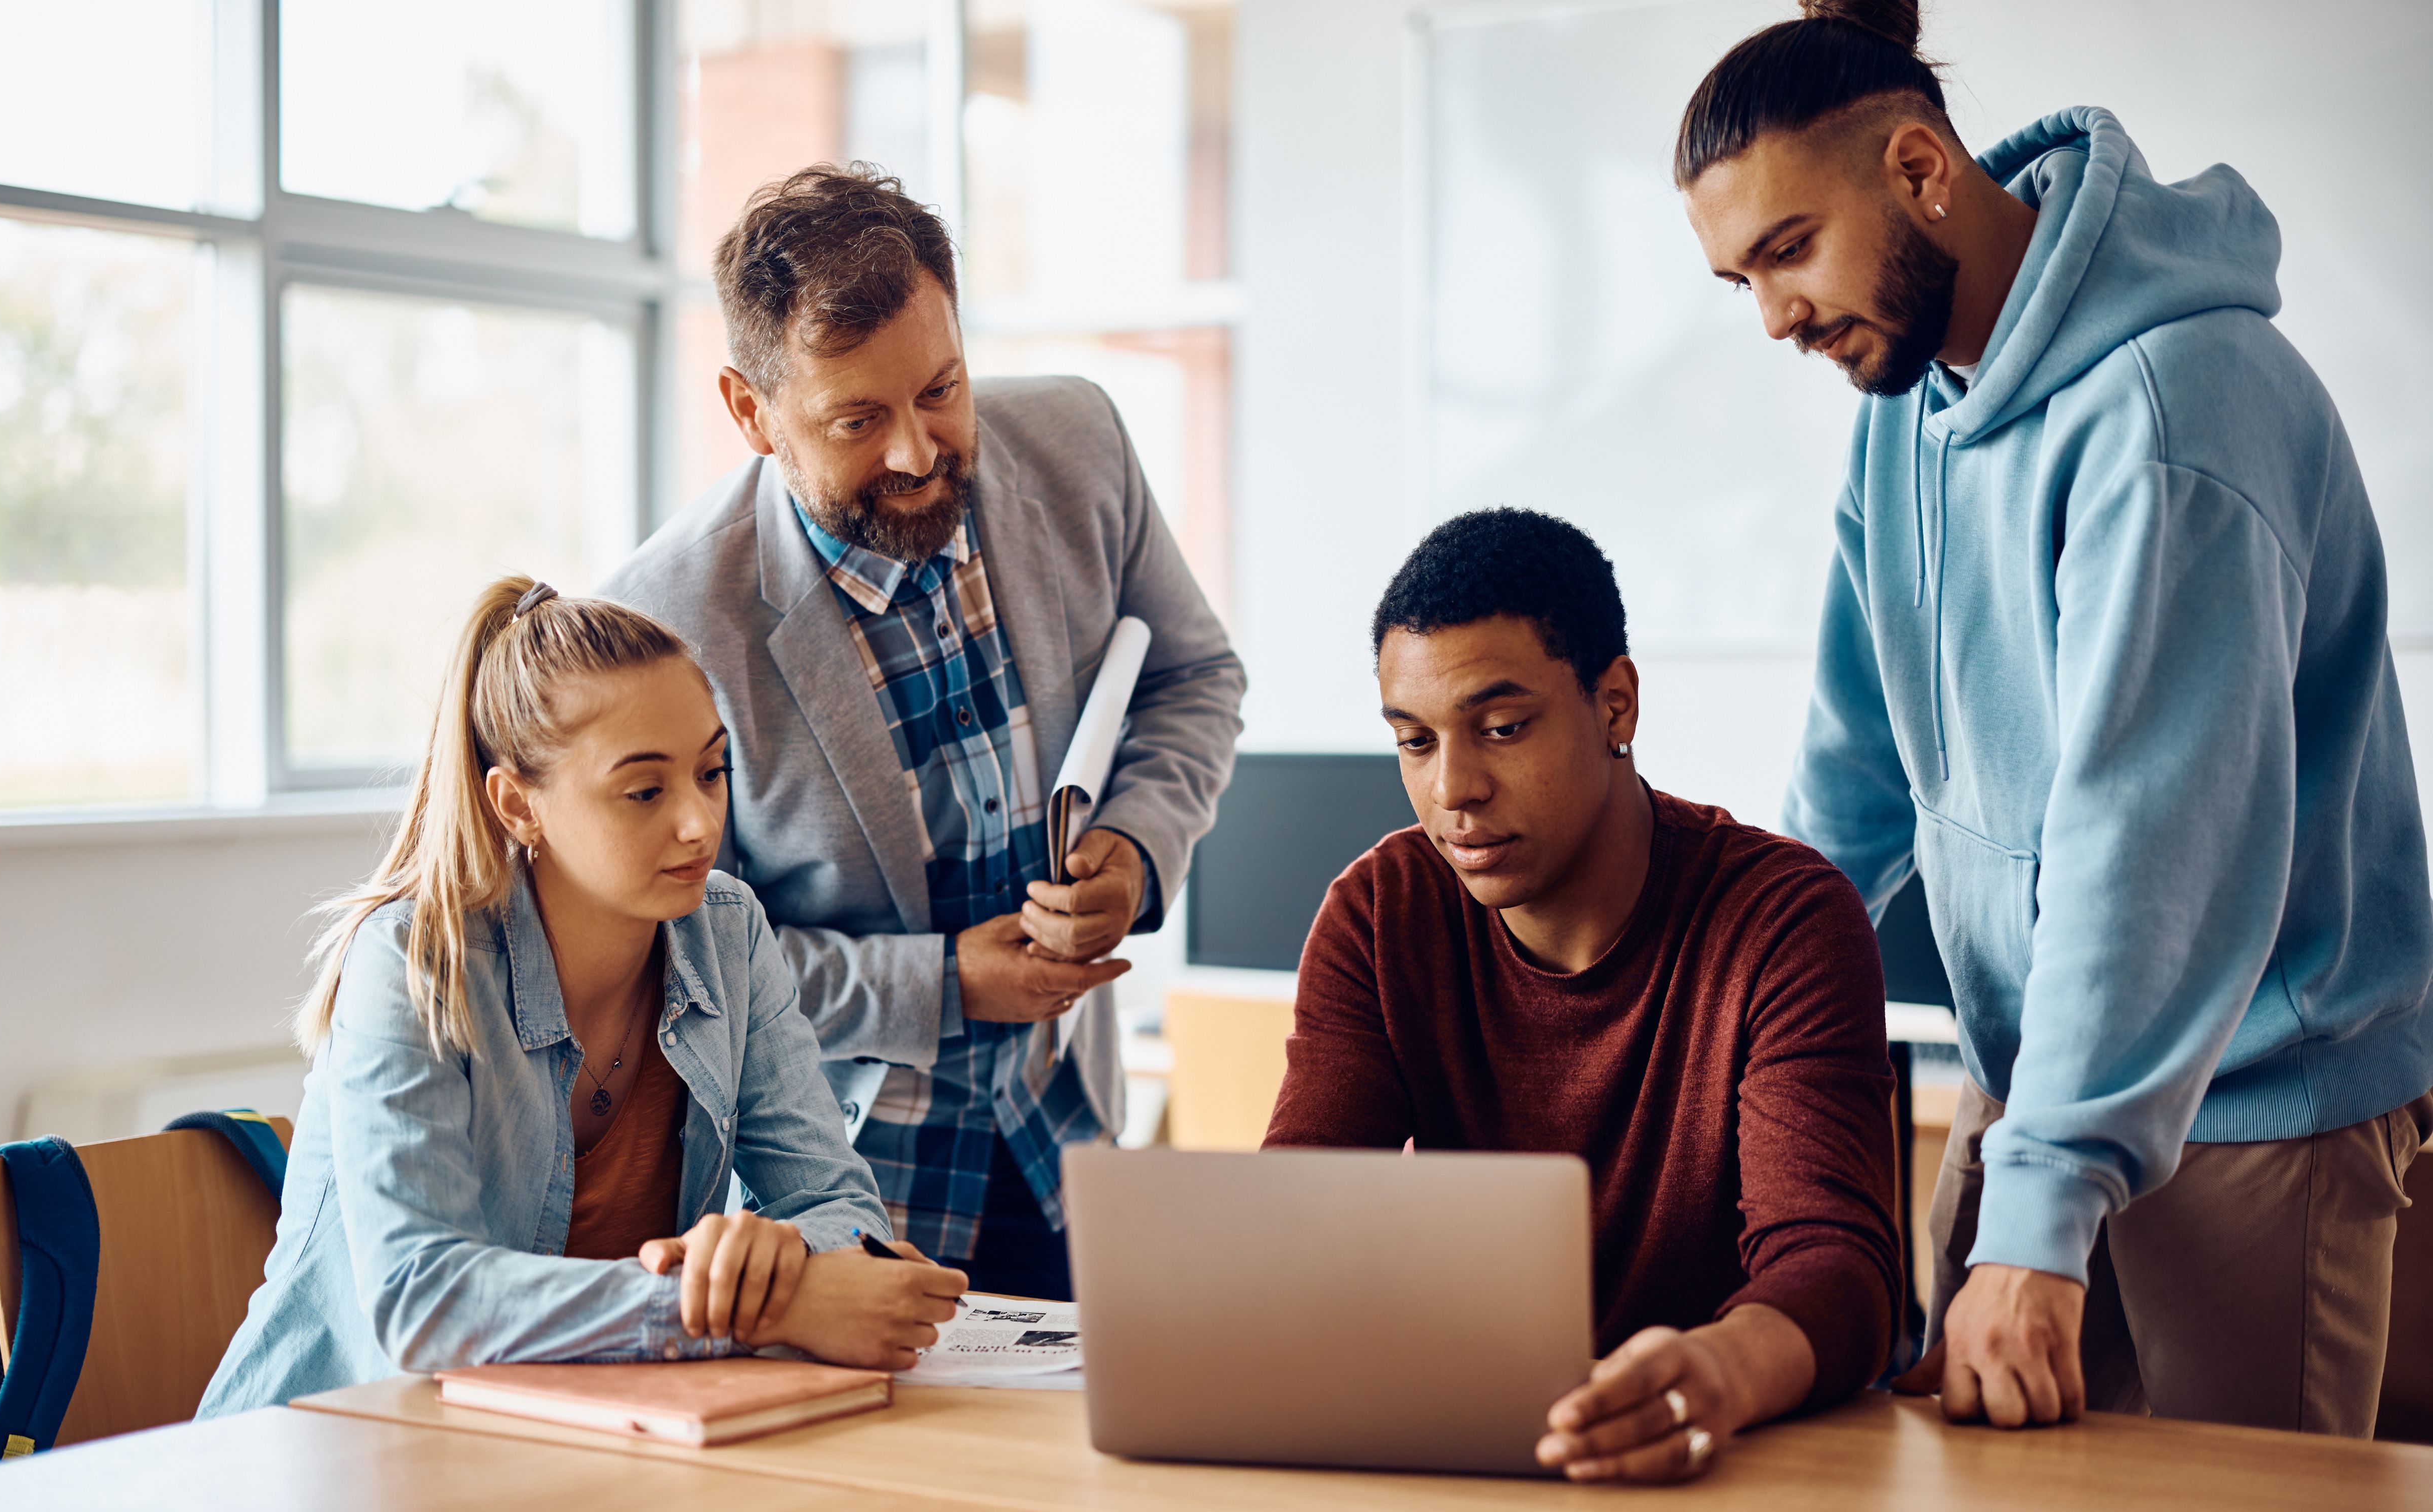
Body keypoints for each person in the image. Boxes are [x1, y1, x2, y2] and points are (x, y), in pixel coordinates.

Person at [1676, 0, 2433, 1437]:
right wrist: (1725, 1016)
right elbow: (1855, 777)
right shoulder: (1907, 405)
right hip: (2038, 1087)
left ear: (1917, 172)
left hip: (2257, 1095)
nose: (1774, 315)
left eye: (1788, 249)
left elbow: (2147, 849)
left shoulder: (2174, 410)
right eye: (1741, 280)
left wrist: (2039, 1214)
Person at [600, 167, 1243, 1302]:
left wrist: (1137, 851)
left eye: (940, 390)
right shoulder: (666, 621)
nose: (916, 451)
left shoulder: (1079, 439)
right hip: (845, 1197)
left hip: (1070, 1145)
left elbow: (1195, 675)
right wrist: (943, 986)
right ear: (751, 411)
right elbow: (684, 965)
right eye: (857, 419)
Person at [201, 578, 966, 1414]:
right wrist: (750, 1309)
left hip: (568, 1441)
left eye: (712, 772)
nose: (699, 825)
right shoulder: (416, 961)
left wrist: (764, 1258)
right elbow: (422, 1300)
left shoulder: (730, 931)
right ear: (518, 805)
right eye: (645, 791)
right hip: (330, 1448)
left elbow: (839, 1206)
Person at [1262, 509, 1899, 1485]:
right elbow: (1300, 1219)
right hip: (1483, 1450)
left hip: (1734, 1459)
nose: (1453, 790)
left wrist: (1716, 1370)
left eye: (1502, 729)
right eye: (1415, 743)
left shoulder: (1784, 917)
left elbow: (1838, 1270)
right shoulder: (1379, 912)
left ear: (1615, 706)